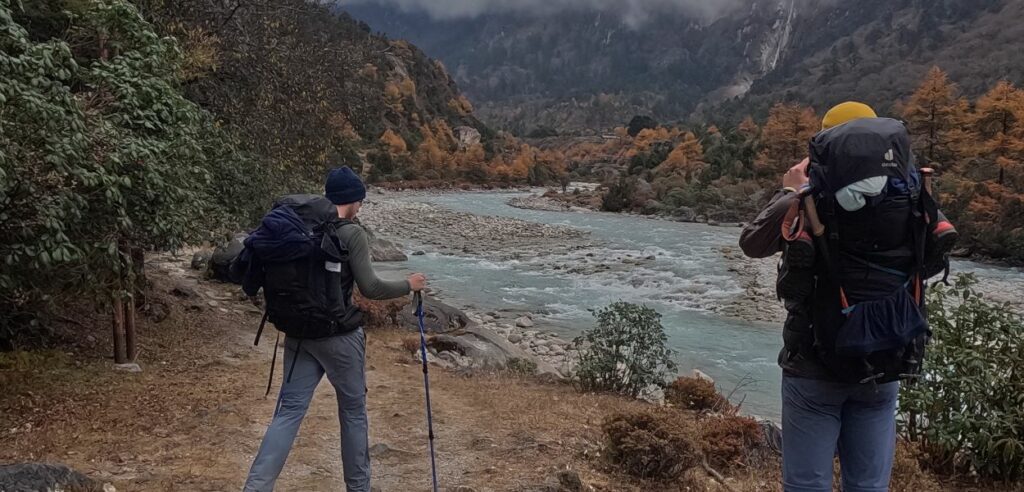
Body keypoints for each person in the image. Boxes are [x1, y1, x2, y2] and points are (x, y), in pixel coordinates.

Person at [740, 102, 955, 492]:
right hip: (886, 357)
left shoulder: (811, 198)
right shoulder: (910, 196)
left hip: (815, 363)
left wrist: (790, 190)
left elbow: (752, 243)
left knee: (807, 484)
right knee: (869, 486)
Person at [242, 166, 427, 492]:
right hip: (340, 337)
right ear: (352, 200)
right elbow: (370, 287)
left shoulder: (303, 226)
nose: (361, 207)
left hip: (299, 333)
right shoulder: (352, 233)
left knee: (288, 412)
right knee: (353, 413)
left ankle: (255, 488)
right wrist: (408, 284)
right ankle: (359, 488)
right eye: (360, 200)